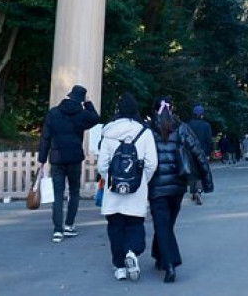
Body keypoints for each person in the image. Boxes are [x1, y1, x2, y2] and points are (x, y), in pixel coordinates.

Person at [148, 96, 213, 283]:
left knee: (162, 224)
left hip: (156, 186)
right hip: (178, 184)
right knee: (167, 224)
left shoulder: (148, 130)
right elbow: (198, 153)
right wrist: (207, 181)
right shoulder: (182, 128)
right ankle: (160, 256)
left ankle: (170, 264)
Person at [97, 93, 158, 281]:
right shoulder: (144, 133)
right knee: (134, 225)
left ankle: (120, 267)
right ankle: (132, 252)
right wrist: (141, 181)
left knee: (115, 227)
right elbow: (151, 163)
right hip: (136, 190)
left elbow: (102, 165)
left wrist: (111, 178)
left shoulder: (108, 133)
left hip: (113, 189)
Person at [37, 84, 100, 243]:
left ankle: (57, 230)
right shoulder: (82, 114)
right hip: (74, 159)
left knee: (57, 194)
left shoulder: (53, 113)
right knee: (74, 192)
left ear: (69, 95)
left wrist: (41, 160)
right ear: (81, 99)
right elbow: (95, 118)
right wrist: (88, 102)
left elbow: (45, 138)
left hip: (57, 159)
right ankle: (69, 225)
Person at [187, 104, 213, 205]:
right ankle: (198, 191)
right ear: (202, 115)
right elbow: (208, 141)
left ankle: (193, 191)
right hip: (202, 152)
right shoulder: (206, 125)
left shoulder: (188, 125)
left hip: (190, 152)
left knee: (192, 172)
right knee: (201, 172)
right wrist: (207, 153)